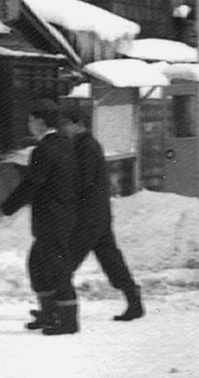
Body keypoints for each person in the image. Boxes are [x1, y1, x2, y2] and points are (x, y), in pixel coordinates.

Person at [0, 99, 80, 335]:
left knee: (55, 267)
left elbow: (33, 183)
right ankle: (49, 313)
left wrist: (5, 208)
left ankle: (68, 320)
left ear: (41, 122)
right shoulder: (64, 144)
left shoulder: (44, 150)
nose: (29, 125)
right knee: (38, 264)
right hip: (61, 214)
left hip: (52, 217)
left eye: (31, 120)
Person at [61, 103, 145, 322]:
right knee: (111, 260)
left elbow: (82, 181)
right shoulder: (86, 145)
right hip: (98, 214)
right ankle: (134, 301)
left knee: (63, 263)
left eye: (67, 124)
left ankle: (56, 309)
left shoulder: (85, 147)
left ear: (79, 124)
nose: (65, 129)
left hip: (87, 217)